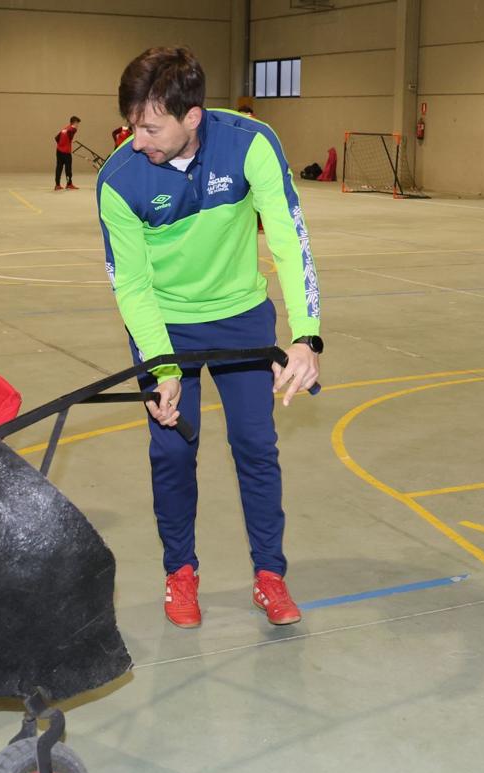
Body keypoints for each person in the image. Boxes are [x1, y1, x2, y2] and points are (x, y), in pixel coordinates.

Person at [96, 47, 321, 628]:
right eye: (131, 124)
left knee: (256, 447)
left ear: (191, 116)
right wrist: (163, 369)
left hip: (242, 318)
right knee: (172, 450)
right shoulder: (118, 180)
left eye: (150, 127)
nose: (136, 139)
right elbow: (133, 288)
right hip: (165, 326)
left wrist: (306, 337)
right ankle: (181, 573)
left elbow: (290, 241)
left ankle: (270, 575)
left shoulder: (252, 143)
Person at [54, 116, 80, 190]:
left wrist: (64, 143)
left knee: (59, 167)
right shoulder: (73, 129)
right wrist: (67, 145)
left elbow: (56, 138)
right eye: (77, 123)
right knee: (68, 169)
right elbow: (72, 132)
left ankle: (57, 185)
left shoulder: (64, 129)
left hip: (59, 151)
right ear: (74, 122)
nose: (78, 125)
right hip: (66, 152)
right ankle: (69, 184)